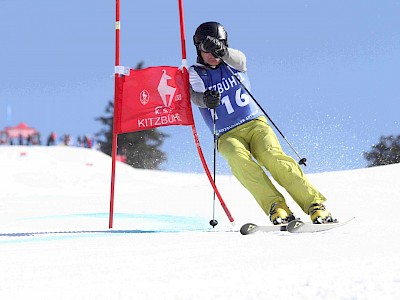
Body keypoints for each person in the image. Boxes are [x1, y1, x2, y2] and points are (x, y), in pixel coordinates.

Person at [189, 21, 335, 224]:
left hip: (254, 124)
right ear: (198, 49)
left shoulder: (232, 60)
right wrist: (205, 99)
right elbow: (193, 95)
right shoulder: (196, 72)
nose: (212, 54)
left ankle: (314, 205)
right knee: (240, 162)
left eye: (217, 46)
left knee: (272, 158)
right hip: (226, 134)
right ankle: (277, 207)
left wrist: (223, 51)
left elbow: (240, 60)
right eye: (206, 48)